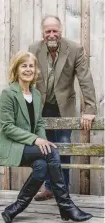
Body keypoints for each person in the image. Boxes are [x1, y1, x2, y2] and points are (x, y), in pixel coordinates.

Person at [0, 51, 93, 223]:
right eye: (23, 66)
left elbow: (39, 124)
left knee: (42, 166)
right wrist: (35, 140)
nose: (28, 69)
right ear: (16, 69)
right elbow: (7, 127)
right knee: (52, 153)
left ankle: (13, 209)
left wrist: (42, 140)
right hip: (11, 145)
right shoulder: (8, 94)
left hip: (28, 146)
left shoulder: (37, 95)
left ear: (35, 70)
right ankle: (66, 206)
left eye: (31, 66)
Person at [28, 15, 97, 201]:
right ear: (43, 33)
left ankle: (63, 191)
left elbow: (85, 79)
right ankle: (50, 188)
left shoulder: (74, 49)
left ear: (61, 30)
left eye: (55, 30)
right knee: (45, 149)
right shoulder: (34, 49)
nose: (52, 34)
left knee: (64, 147)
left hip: (64, 107)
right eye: (48, 31)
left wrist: (90, 109)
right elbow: (25, 77)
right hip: (41, 108)